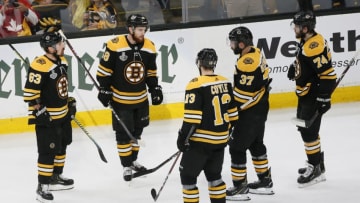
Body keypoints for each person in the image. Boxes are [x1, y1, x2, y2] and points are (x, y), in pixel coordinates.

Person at [96, 14, 163, 182]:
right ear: (130, 29)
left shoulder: (150, 47)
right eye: (140, 30)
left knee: (136, 133)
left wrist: (154, 87)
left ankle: (133, 161)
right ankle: (126, 165)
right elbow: (103, 72)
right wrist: (104, 89)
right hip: (120, 100)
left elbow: (151, 72)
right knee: (123, 134)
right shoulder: (114, 45)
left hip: (140, 100)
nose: (143, 33)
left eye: (144, 30)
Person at [177, 48, 238, 203]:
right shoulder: (225, 81)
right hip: (220, 143)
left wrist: (183, 138)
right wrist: (224, 135)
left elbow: (192, 120)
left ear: (199, 63)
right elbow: (234, 116)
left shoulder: (195, 84)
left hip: (200, 144)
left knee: (188, 178)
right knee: (215, 178)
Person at [23, 31, 76, 202]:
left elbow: (59, 88)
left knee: (62, 146)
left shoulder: (63, 61)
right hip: (49, 118)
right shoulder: (39, 65)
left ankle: (55, 177)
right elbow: (30, 94)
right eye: (60, 43)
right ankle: (42, 187)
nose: (63, 46)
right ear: (50, 47)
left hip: (63, 114)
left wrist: (69, 102)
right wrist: (39, 111)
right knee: (47, 151)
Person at [288, 10, 337, 187]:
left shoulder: (313, 45)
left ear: (306, 28)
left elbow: (329, 75)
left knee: (309, 132)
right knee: (306, 130)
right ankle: (317, 163)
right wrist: (296, 67)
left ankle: (315, 168)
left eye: (297, 25)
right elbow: (309, 64)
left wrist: (324, 98)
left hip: (314, 95)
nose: (294, 28)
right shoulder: (307, 40)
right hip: (307, 93)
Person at [226, 26, 274, 201]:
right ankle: (265, 181)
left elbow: (242, 95)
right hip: (259, 108)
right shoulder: (255, 52)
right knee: (255, 144)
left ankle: (239, 187)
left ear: (241, 43)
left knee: (237, 147)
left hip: (250, 111)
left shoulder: (247, 62)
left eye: (232, 42)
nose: (231, 46)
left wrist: (228, 108)